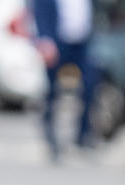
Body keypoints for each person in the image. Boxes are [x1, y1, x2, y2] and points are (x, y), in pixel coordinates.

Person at [32, 0, 97, 158]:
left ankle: (83, 135)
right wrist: (45, 39)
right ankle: (50, 134)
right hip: (57, 40)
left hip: (82, 42)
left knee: (90, 85)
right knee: (53, 91)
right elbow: (40, 9)